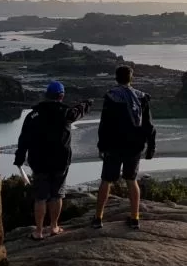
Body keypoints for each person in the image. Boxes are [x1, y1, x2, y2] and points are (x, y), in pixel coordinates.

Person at [14, 81, 92, 240]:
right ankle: (54, 227)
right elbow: (78, 111)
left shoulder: (33, 115)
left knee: (40, 197)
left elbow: (24, 140)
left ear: (46, 95)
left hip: (39, 162)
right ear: (61, 96)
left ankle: (38, 231)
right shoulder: (66, 113)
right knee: (57, 195)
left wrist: (19, 159)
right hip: (60, 161)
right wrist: (87, 103)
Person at [92, 65, 156, 230]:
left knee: (106, 180)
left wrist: (101, 146)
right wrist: (151, 147)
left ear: (116, 78)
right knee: (131, 180)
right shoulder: (141, 97)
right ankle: (135, 218)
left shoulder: (111, 96)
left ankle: (98, 218)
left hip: (113, 146)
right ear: (131, 78)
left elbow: (104, 124)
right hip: (135, 146)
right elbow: (149, 125)